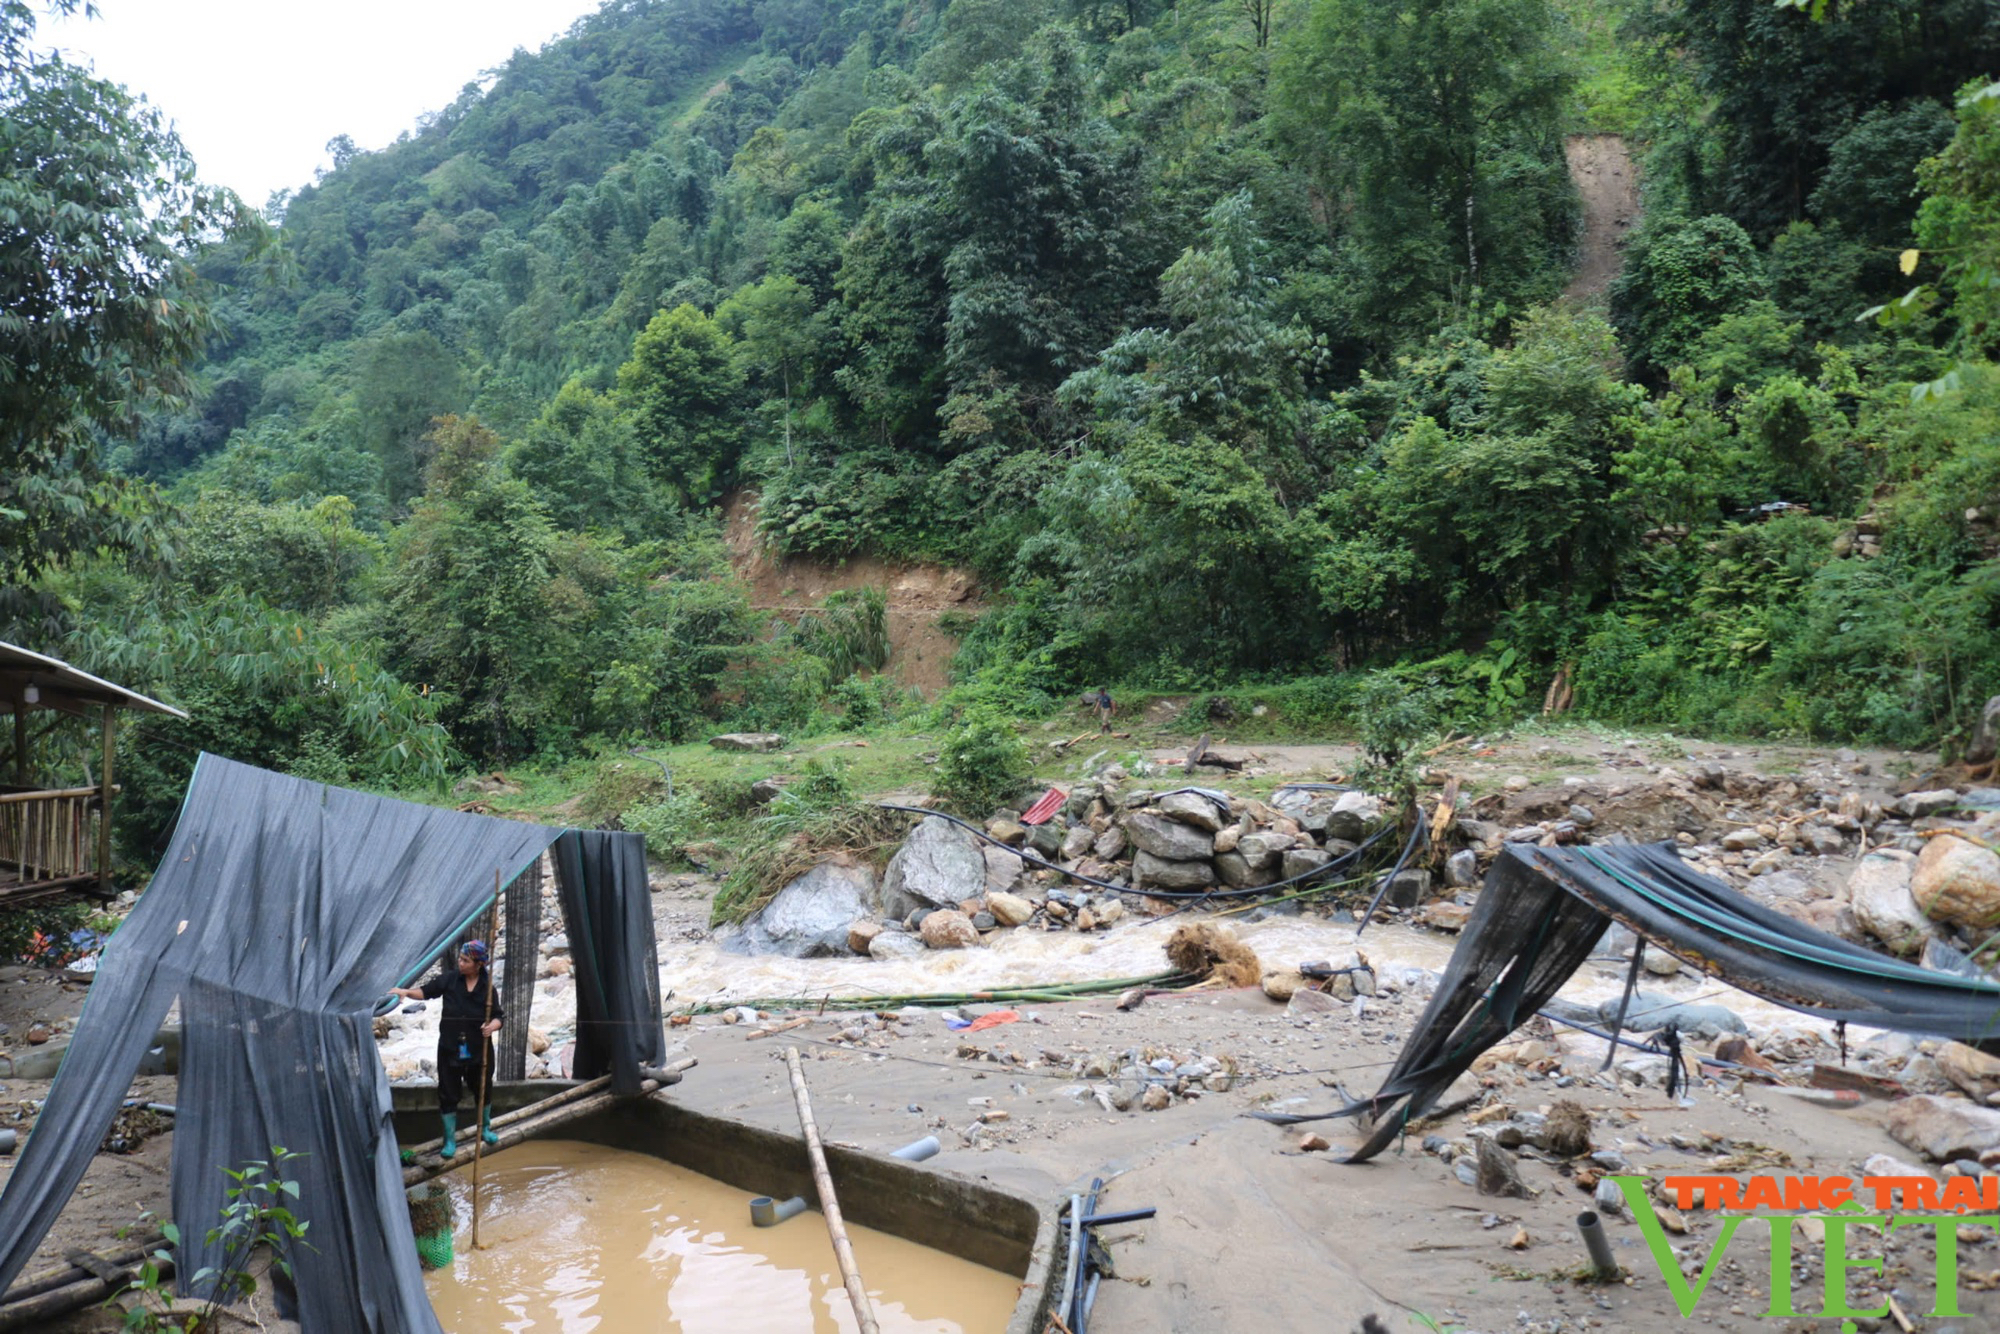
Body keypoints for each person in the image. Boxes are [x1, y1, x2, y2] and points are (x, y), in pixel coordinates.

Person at [390, 940, 503, 1158]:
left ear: (478, 964)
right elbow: (426, 991)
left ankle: (485, 1129)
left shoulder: (488, 989)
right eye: (460, 959)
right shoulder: (450, 980)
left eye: (465, 960)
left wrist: (492, 1026)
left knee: (482, 1089)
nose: (460, 963)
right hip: (451, 1048)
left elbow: (499, 1016)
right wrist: (405, 992)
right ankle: (449, 1140)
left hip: (479, 1050)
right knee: (448, 1093)